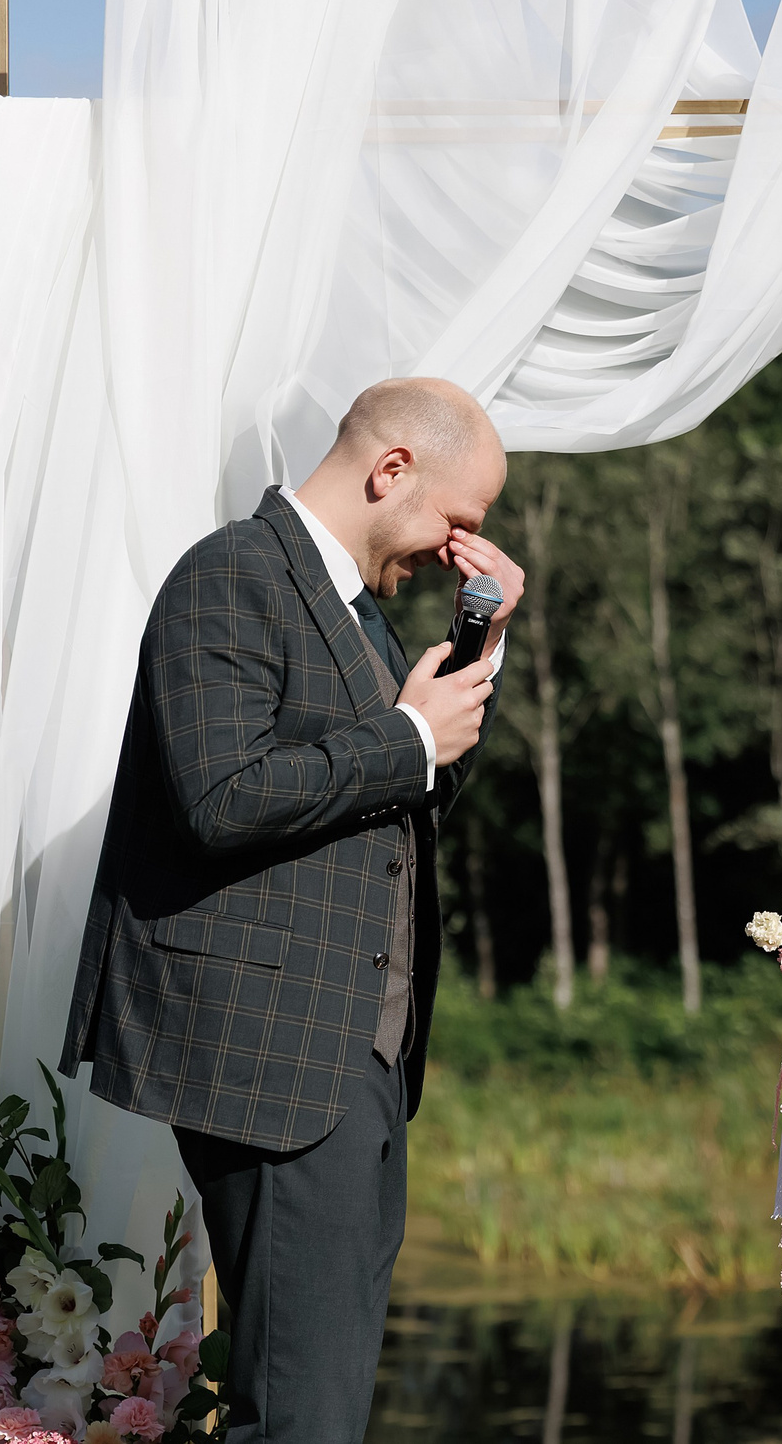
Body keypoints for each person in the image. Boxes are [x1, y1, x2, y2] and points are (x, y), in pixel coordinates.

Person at [59, 376, 523, 1444]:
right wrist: (405, 737)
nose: (457, 548)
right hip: (271, 1058)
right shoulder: (229, 576)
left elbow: (410, 778)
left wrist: (475, 639)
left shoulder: (355, 612)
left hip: (356, 1056)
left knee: (324, 1404)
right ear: (389, 468)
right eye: (461, 521)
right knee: (299, 1416)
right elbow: (220, 796)